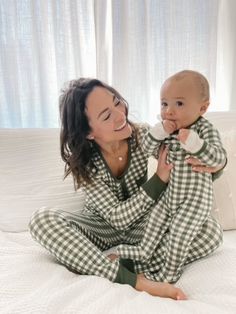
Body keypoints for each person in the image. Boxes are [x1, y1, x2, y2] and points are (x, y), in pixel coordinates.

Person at [29, 77, 224, 299]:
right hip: (101, 229)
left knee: (211, 232)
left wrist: (218, 165)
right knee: (41, 219)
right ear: (88, 132)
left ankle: (98, 262)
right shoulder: (86, 163)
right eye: (106, 115)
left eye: (117, 102)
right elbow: (117, 218)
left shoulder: (142, 135)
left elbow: (185, 161)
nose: (121, 115)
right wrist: (159, 179)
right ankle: (136, 280)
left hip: (145, 227)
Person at [110, 70, 227, 283]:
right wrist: (159, 132)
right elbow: (147, 147)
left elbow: (219, 158)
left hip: (194, 201)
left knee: (179, 235)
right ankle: (143, 252)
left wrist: (196, 145)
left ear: (203, 108)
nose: (169, 111)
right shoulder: (165, 130)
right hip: (169, 196)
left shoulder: (204, 129)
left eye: (179, 104)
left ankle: (169, 274)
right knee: (153, 225)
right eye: (164, 104)